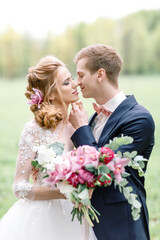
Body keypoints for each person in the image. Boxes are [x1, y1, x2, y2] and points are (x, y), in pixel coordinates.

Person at [0, 56, 97, 240]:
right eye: (67, 82)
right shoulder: (34, 130)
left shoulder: (81, 124)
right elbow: (19, 187)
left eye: (72, 79)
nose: (75, 84)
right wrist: (65, 193)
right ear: (51, 93)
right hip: (44, 218)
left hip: (77, 216)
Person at [69, 44, 155, 240]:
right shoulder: (93, 117)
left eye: (81, 75)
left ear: (100, 74)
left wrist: (82, 128)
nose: (77, 82)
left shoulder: (139, 119)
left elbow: (102, 169)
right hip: (89, 223)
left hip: (121, 223)